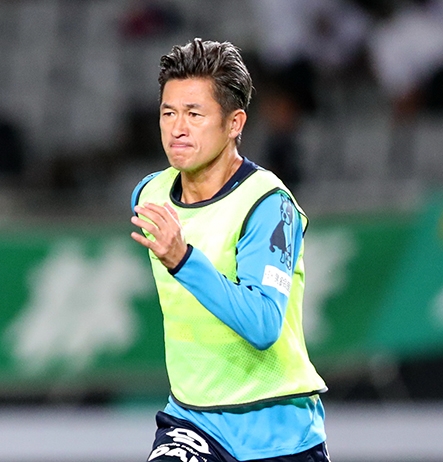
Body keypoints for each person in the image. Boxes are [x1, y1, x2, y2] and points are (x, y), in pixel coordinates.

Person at [129, 38, 329, 462]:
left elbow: (263, 323)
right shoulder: (150, 195)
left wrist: (183, 260)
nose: (177, 129)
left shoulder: (268, 205)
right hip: (193, 422)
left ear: (234, 123)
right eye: (168, 113)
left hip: (278, 430)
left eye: (194, 114)